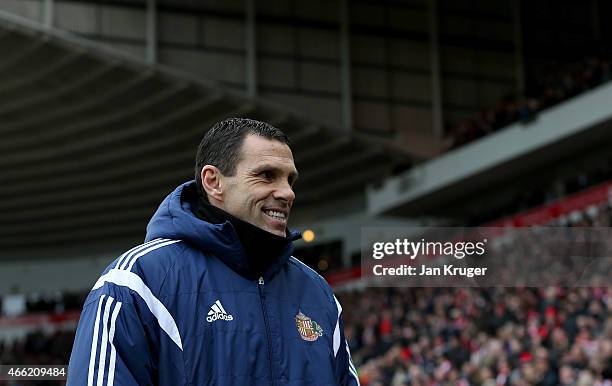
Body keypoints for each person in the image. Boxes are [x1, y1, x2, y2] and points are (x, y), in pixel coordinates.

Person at [66, 118, 360, 385]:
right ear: (213, 182)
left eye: (290, 179)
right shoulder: (136, 282)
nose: (287, 193)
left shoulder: (318, 294)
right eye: (266, 175)